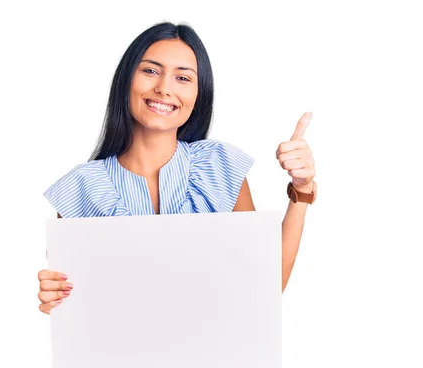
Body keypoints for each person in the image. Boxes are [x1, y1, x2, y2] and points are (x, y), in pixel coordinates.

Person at [36, 22, 317, 315]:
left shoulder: (218, 167)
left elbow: (265, 286)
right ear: (126, 80)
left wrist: (302, 189)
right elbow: (83, 312)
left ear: (198, 95)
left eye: (183, 78)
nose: (164, 88)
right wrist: (56, 300)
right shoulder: (81, 188)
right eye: (150, 71)